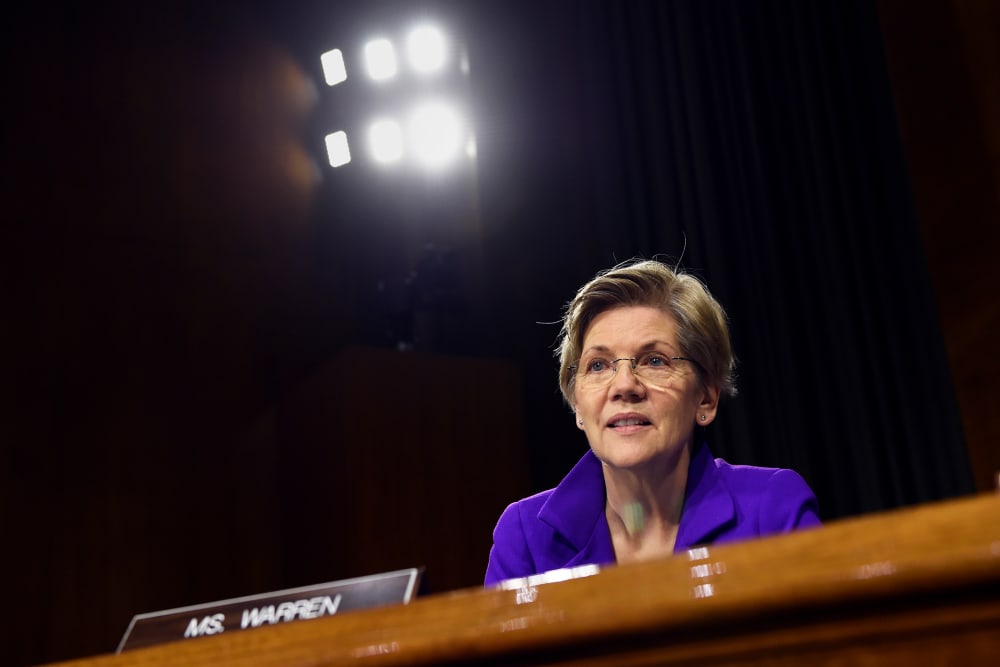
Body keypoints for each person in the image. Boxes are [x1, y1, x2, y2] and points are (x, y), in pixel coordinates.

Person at [485, 259, 820, 586]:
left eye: (655, 360)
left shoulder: (772, 509)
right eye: (598, 366)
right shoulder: (525, 536)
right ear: (577, 406)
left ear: (706, 398)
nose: (624, 386)